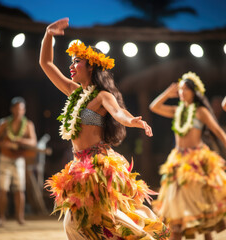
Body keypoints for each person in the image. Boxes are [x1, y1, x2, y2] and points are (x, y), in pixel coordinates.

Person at [40, 18, 170, 240]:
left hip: (97, 166)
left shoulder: (103, 95)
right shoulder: (73, 93)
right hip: (77, 165)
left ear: (91, 65)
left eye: (77, 61)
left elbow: (119, 113)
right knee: (77, 223)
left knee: (107, 220)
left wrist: (134, 122)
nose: (71, 66)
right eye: (71, 62)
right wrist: (48, 34)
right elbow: (47, 64)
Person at [149, 72, 226, 240]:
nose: (182, 92)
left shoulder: (201, 111)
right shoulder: (177, 110)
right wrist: (167, 94)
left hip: (197, 161)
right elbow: (154, 107)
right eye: (181, 89)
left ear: (194, 92)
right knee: (176, 216)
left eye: (186, 89)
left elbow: (218, 132)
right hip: (177, 160)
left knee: (203, 214)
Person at [0, 97, 37, 227]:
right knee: (3, 189)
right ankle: (1, 218)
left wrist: (20, 141)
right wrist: (6, 144)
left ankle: (20, 217)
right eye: (16, 108)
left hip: (19, 159)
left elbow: (33, 142)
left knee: (19, 189)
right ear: (12, 109)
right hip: (5, 158)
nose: (18, 111)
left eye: (21, 109)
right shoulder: (4, 123)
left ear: (24, 110)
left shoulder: (28, 124)